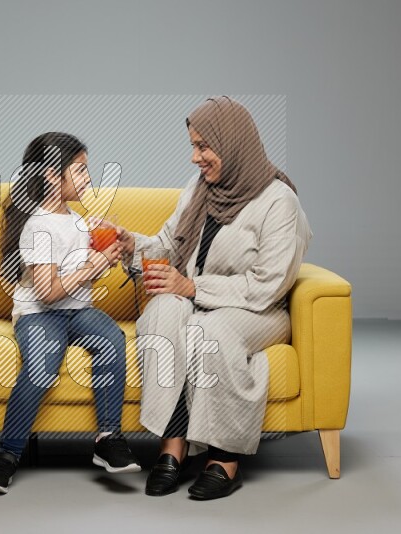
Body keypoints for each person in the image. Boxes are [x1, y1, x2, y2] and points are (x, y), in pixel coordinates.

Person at [115, 96, 312, 500]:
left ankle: (225, 457)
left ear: (233, 142)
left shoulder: (279, 202)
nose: (194, 158)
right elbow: (170, 244)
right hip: (199, 298)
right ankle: (173, 443)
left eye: (203, 146)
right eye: (193, 146)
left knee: (213, 329)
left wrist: (192, 288)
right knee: (162, 312)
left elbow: (269, 284)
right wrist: (130, 244)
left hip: (256, 309)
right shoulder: (200, 188)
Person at [0, 132, 141, 494]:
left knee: (112, 338)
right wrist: (92, 265)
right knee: (41, 367)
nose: (88, 178)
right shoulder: (38, 227)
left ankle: (107, 438)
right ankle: (6, 455)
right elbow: (48, 293)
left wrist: (106, 259)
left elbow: (80, 276)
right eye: (80, 170)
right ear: (52, 175)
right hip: (39, 314)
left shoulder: (79, 222)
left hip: (78, 310)